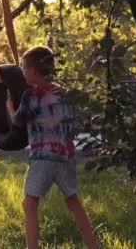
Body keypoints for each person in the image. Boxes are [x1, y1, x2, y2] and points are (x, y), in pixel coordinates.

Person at [6, 46, 98, 249]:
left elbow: (18, 121)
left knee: (29, 204)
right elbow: (82, 118)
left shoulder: (31, 95)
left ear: (33, 71)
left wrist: (10, 108)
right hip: (66, 157)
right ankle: (94, 246)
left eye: (24, 68)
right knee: (73, 201)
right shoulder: (64, 93)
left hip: (43, 158)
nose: (22, 72)